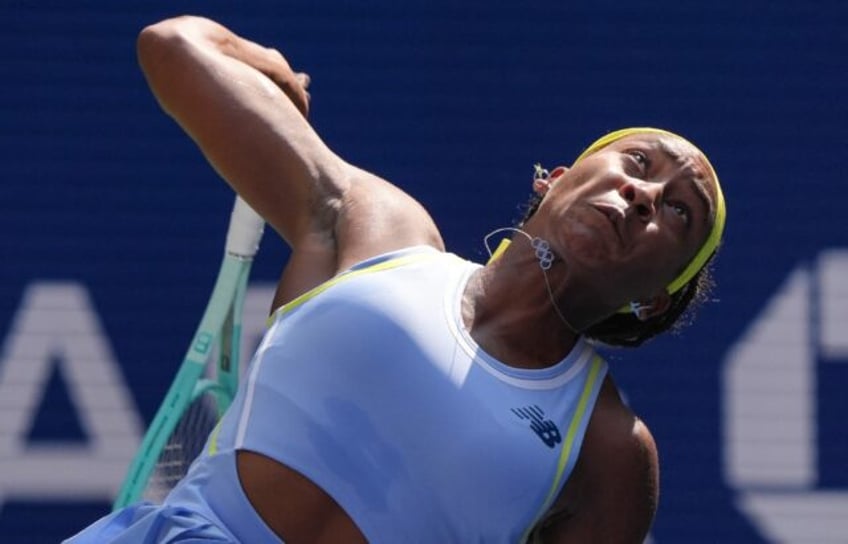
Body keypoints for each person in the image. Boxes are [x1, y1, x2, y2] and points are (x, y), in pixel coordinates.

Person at [66, 14, 726, 544]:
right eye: (638, 162)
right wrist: (260, 60)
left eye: (677, 212)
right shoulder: (380, 231)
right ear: (553, 177)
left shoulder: (609, 451)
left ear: (654, 299)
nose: (645, 196)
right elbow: (173, 45)